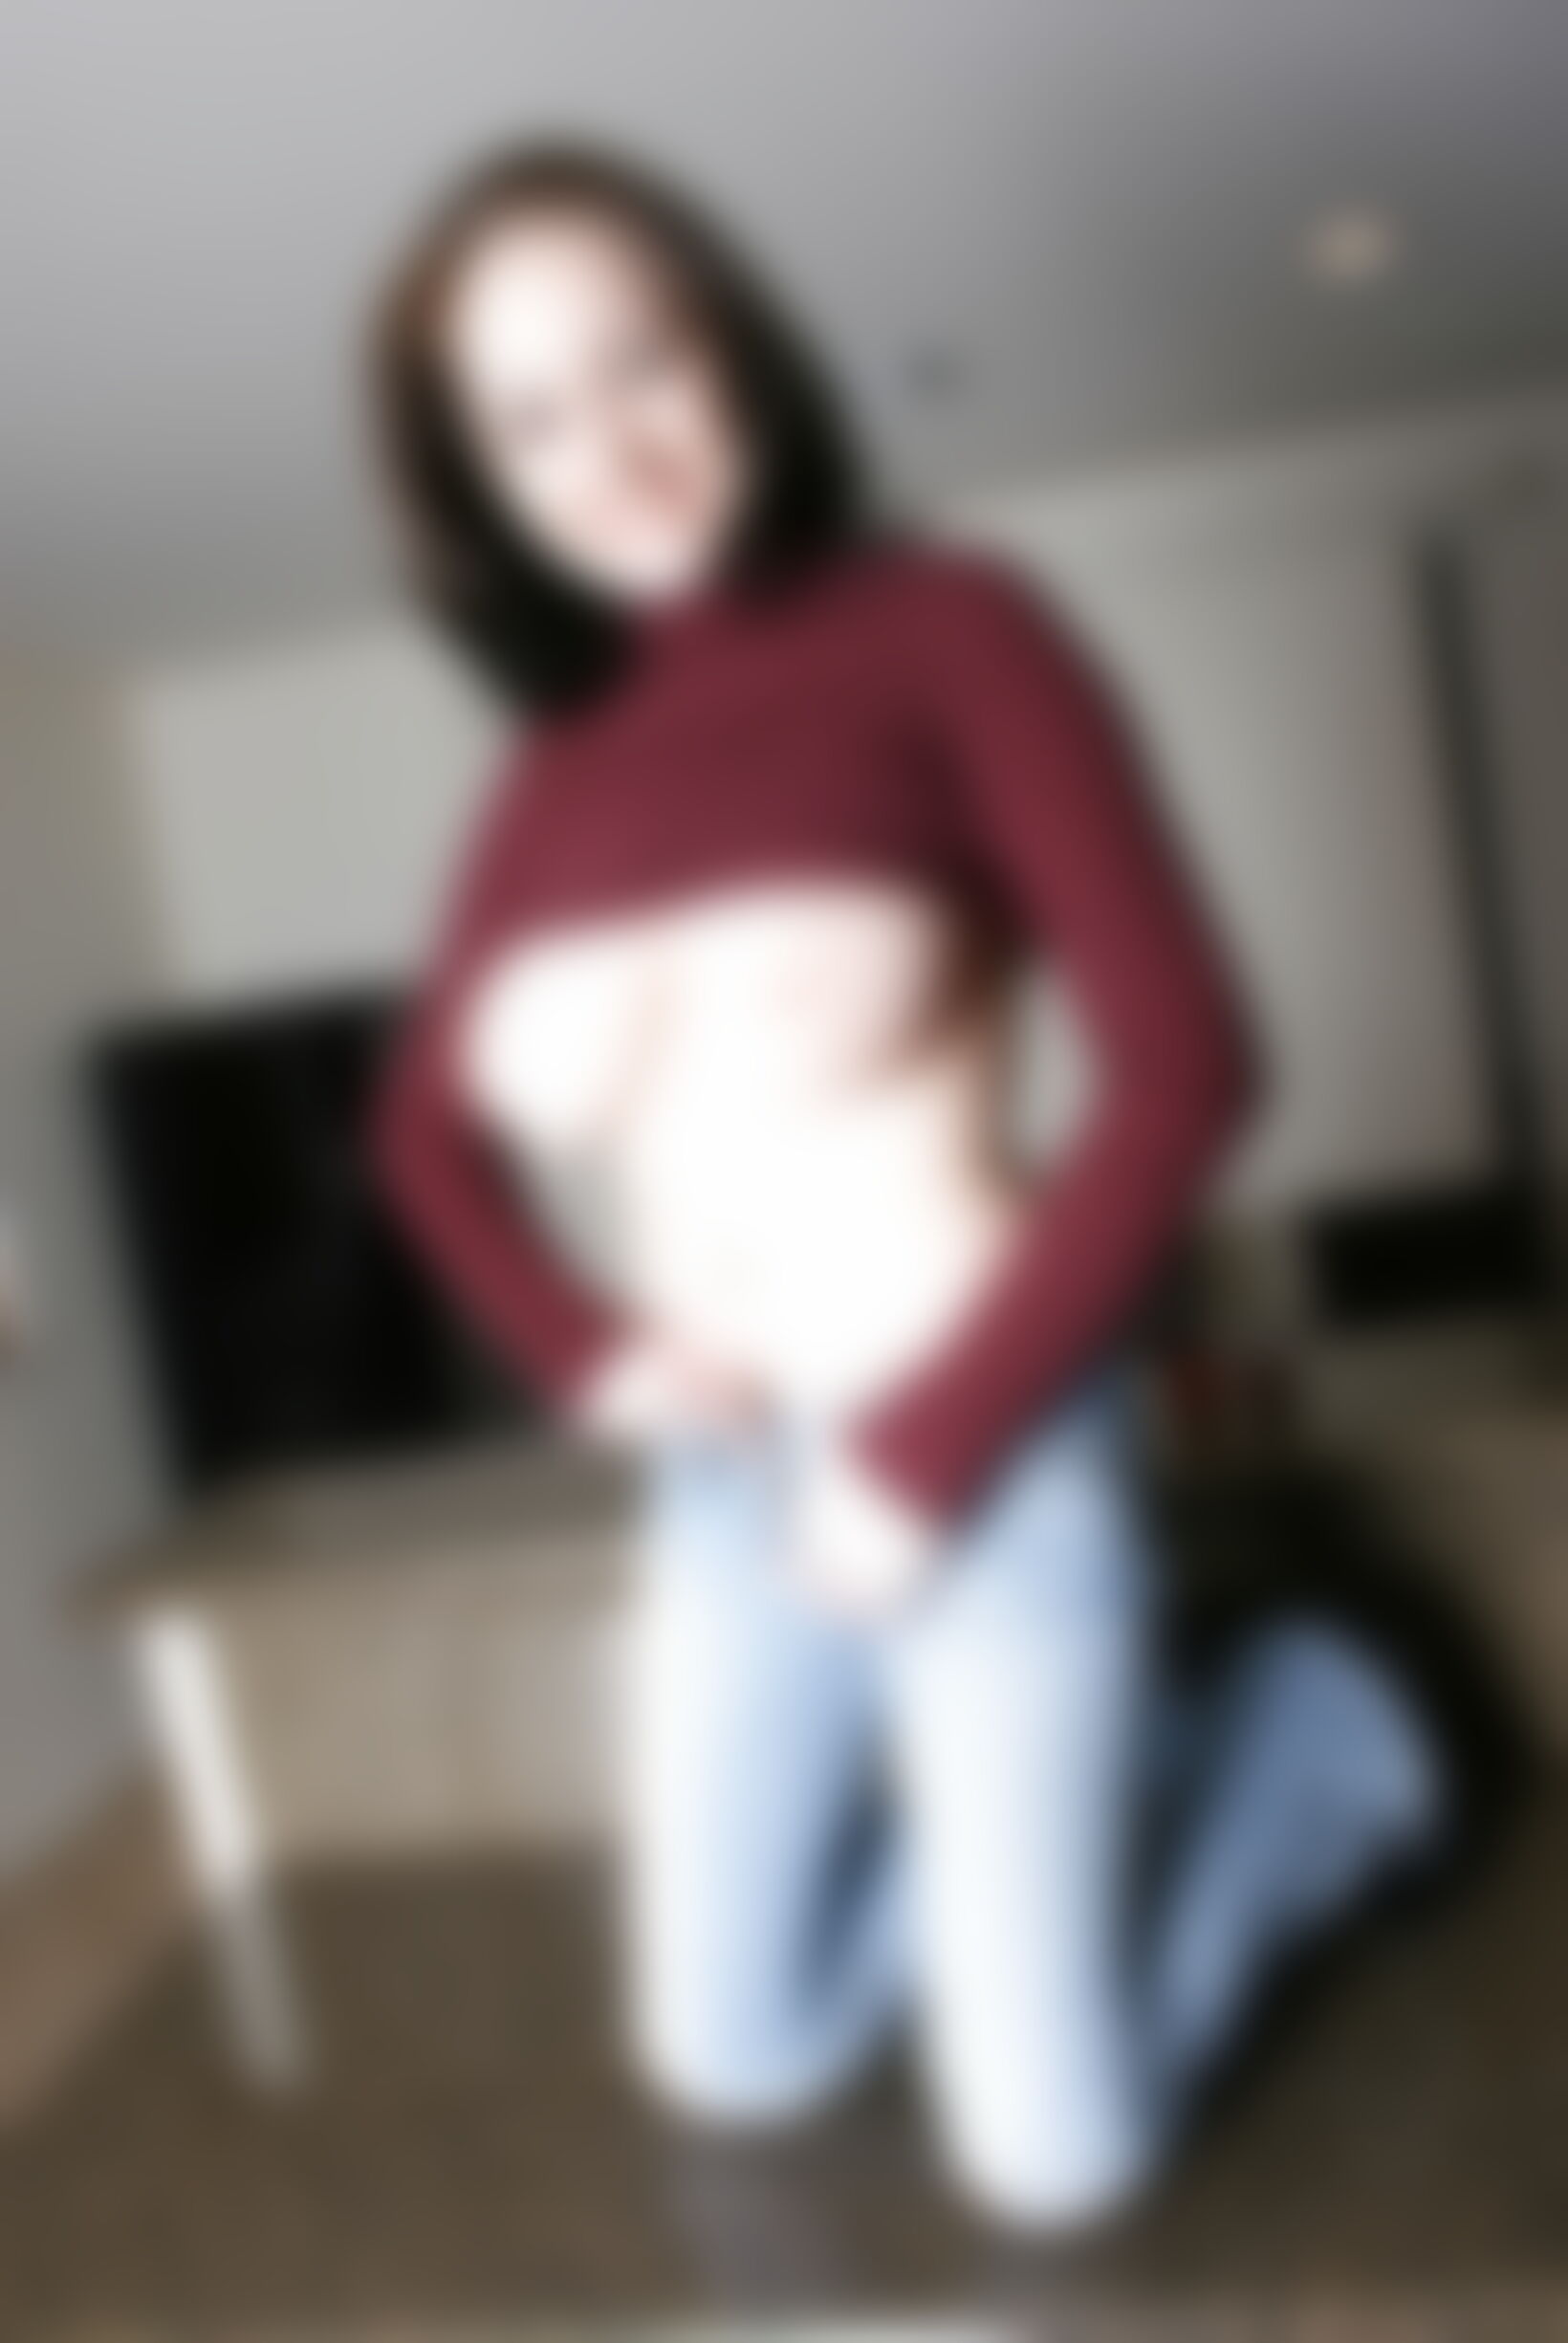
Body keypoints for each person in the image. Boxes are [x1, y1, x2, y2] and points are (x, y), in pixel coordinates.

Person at [364, 142, 1451, 2229]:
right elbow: (420, 1136)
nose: (609, 449)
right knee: (732, 2052)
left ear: (733, 346)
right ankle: (1082, 1787)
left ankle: (1320, 1721)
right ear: (476, 484)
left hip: (985, 1443)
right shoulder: (539, 782)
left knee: (1054, 2160)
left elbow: (1189, 1068)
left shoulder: (951, 626)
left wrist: (923, 1458)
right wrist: (583, 1351)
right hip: (724, 1483)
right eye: (530, 419)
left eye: (643, 362)